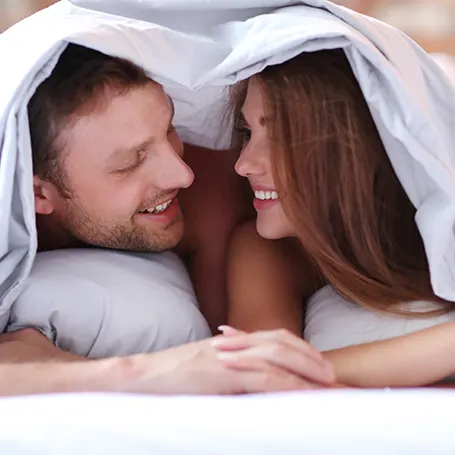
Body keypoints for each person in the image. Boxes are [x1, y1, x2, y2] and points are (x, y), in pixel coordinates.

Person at [0, 43, 337, 395]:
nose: (182, 175)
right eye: (130, 162)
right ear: (38, 193)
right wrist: (131, 373)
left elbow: (232, 372)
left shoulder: (215, 191)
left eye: (170, 130)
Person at [226, 48, 455, 388]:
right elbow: (261, 373)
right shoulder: (269, 253)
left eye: (279, 137)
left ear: (352, 149)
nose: (243, 164)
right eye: (247, 133)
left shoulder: (437, 226)